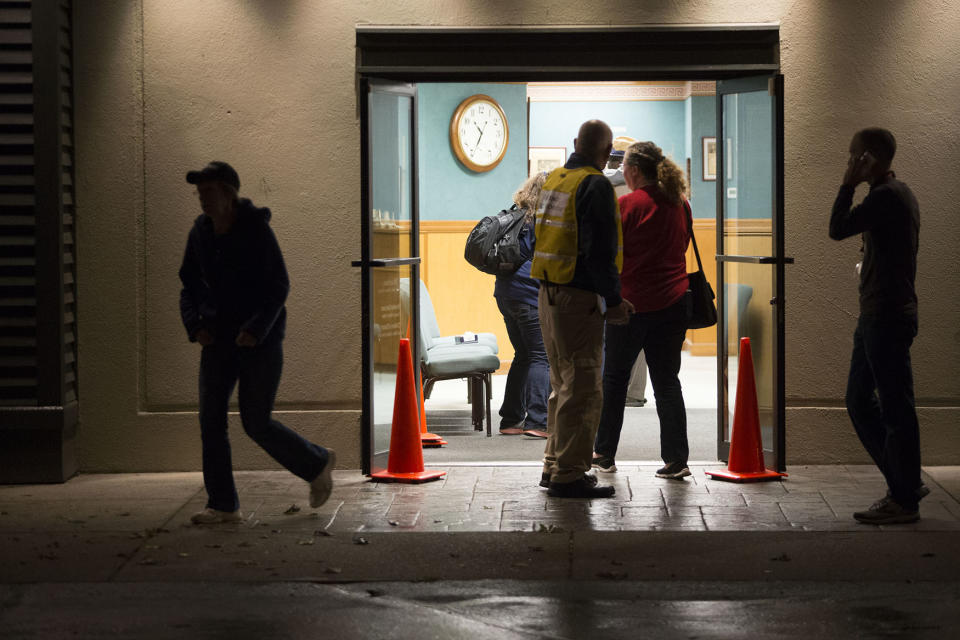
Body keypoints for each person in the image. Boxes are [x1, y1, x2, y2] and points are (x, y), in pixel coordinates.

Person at [179, 161, 335, 524]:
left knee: (255, 422)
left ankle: (316, 463)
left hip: (258, 342)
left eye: (209, 191)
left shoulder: (255, 230)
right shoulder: (200, 232)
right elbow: (188, 283)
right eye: (199, 192)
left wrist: (255, 329)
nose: (202, 198)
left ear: (229, 194)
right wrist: (195, 324)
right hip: (216, 340)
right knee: (210, 420)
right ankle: (222, 505)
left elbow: (279, 285)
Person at [532, 120, 634, 499]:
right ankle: (569, 474)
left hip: (548, 293)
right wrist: (613, 302)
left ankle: (554, 465)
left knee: (562, 384)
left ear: (575, 143)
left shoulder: (554, 180)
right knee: (585, 387)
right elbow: (600, 253)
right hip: (578, 299)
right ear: (606, 153)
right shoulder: (595, 185)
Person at [829, 128, 925, 525]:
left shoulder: (886, 196)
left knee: (894, 407)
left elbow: (837, 228)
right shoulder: (897, 193)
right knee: (864, 400)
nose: (849, 163)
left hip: (885, 316)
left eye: (853, 157)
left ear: (868, 158)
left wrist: (846, 186)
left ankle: (903, 496)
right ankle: (904, 484)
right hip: (881, 314)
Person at [592, 141, 692, 480]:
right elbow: (684, 245)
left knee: (615, 380)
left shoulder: (627, 205)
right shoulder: (681, 204)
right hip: (674, 303)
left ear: (633, 171)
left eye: (624, 170)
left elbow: (611, 254)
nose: (623, 174)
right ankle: (677, 459)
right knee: (667, 382)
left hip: (631, 306)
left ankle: (604, 453)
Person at [495, 173, 550, 439]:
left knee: (523, 355)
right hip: (530, 295)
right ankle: (538, 421)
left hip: (506, 294)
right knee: (541, 356)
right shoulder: (545, 221)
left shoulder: (517, 217)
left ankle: (511, 419)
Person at [604, 135, 648, 408]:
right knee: (641, 341)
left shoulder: (604, 190)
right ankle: (635, 392)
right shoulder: (650, 195)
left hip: (615, 272)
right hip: (646, 275)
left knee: (613, 337)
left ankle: (613, 390)